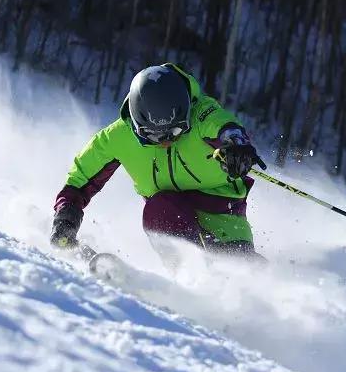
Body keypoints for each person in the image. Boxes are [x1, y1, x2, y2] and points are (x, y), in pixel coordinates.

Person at [50, 63, 266, 256]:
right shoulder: (117, 138)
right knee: (160, 206)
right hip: (170, 217)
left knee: (242, 272)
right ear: (136, 126)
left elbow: (224, 126)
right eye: (154, 136)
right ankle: (191, 272)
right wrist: (66, 218)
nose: (166, 141)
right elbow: (79, 181)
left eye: (176, 131)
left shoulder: (202, 114)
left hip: (222, 215)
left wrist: (237, 148)